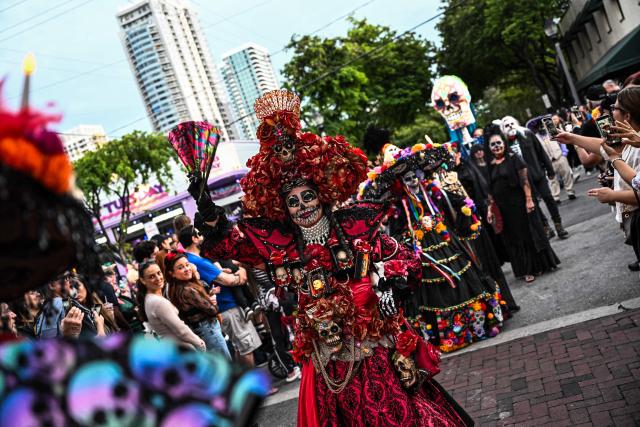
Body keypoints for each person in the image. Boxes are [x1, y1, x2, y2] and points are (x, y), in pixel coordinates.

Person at [184, 89, 472, 426]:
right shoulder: (282, 243)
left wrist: (391, 285)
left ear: (321, 195)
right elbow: (233, 245)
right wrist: (208, 210)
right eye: (293, 202)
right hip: (326, 356)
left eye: (307, 197)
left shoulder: (354, 226)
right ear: (283, 209)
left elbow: (404, 257)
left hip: (372, 344)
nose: (302, 206)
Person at [361, 143, 512, 352]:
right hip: (421, 250)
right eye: (407, 179)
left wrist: (465, 208)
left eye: (414, 176)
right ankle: (443, 335)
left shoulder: (432, 191)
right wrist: (411, 236)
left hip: (445, 240)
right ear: (401, 183)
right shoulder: (399, 207)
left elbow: (455, 202)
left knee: (463, 273)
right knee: (429, 287)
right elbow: (396, 234)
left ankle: (478, 324)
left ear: (419, 175)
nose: (412, 181)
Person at [556, 86, 640, 270]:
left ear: (627, 115)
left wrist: (612, 195)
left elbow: (638, 189)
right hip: (630, 215)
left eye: (615, 108)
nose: (610, 112)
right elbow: (603, 147)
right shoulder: (629, 139)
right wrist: (571, 138)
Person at [485, 132, 560, 283]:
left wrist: (529, 200)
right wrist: (489, 209)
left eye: (499, 143)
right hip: (504, 209)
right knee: (515, 239)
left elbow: (525, 180)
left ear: (504, 144)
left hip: (520, 204)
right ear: (489, 148)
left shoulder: (514, 158)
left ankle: (541, 265)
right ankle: (526, 269)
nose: (496, 146)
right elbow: (490, 190)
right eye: (493, 144)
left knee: (528, 234)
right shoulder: (490, 165)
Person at [500, 116, 569, 239]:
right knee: (534, 204)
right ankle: (546, 227)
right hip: (523, 180)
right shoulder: (504, 144)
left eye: (511, 123)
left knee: (548, 198)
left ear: (516, 124)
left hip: (537, 174)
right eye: (506, 125)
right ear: (503, 130)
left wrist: (549, 169)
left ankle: (558, 225)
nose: (510, 126)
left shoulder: (527, 135)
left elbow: (540, 152)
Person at [179, 225, 259, 321]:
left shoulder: (198, 257)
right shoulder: (196, 261)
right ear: (194, 239)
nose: (203, 236)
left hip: (229, 307)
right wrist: (241, 272)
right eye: (199, 234)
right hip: (228, 309)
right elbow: (228, 280)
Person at [164, 251, 232, 359]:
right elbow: (212, 310)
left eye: (187, 265)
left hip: (202, 330)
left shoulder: (175, 288)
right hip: (208, 330)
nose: (187, 269)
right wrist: (212, 303)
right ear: (171, 273)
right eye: (180, 267)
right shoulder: (187, 289)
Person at [136, 260, 206, 350]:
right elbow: (181, 330)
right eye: (151, 276)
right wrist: (199, 342)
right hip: (181, 349)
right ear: (143, 280)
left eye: (159, 273)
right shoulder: (157, 302)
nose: (158, 278)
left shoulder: (149, 298)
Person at [537, 118, 576, 202]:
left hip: (559, 156)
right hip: (548, 161)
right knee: (552, 180)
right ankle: (556, 197)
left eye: (542, 125)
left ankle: (570, 192)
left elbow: (561, 140)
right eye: (539, 126)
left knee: (566, 174)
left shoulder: (551, 131)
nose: (541, 127)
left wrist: (564, 153)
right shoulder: (536, 138)